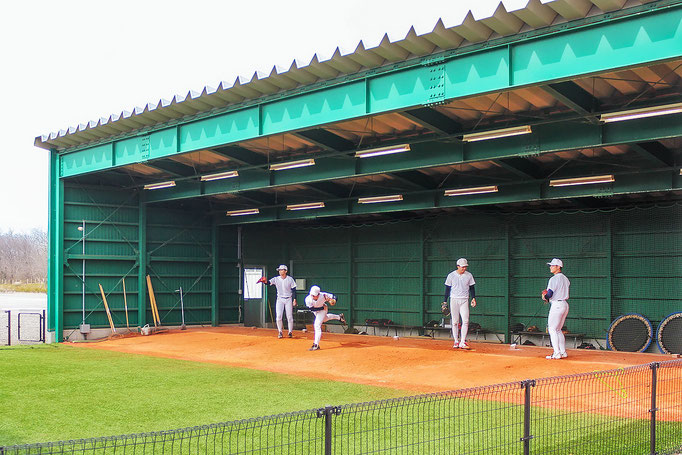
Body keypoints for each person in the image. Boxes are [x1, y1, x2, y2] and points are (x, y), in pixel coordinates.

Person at [443, 258, 477, 349]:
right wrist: (445, 301)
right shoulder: (451, 275)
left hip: (465, 300)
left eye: (465, 267)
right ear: (458, 266)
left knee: (465, 321)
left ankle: (463, 341)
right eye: (462, 267)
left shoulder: (469, 275)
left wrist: (473, 298)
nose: (464, 268)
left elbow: (472, 288)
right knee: (455, 322)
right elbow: (447, 289)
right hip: (454, 299)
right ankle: (456, 341)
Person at [542, 258, 570, 360]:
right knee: (558, 330)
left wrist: (544, 297)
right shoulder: (565, 278)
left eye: (553, 265)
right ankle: (563, 352)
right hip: (564, 305)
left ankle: (557, 353)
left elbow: (549, 294)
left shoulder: (553, 279)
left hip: (557, 305)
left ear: (558, 267)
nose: (550, 267)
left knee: (552, 329)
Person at [258, 265, 297, 338]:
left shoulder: (290, 279)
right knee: (279, 316)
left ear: (285, 271)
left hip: (288, 298)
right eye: (279, 270)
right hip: (280, 298)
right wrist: (264, 281)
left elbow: (294, 290)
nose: (279, 271)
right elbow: (268, 282)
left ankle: (290, 332)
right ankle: (280, 332)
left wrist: (294, 299)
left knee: (289, 316)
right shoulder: (276, 279)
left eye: (281, 270)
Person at [304, 285, 346, 351]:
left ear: (318, 294)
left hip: (322, 310)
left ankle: (316, 345)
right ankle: (339, 317)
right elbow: (312, 309)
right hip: (318, 310)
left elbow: (334, 296)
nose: (313, 296)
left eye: (314, 295)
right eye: (312, 295)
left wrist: (333, 300)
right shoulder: (308, 299)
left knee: (317, 325)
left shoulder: (323, 295)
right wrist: (322, 307)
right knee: (325, 319)